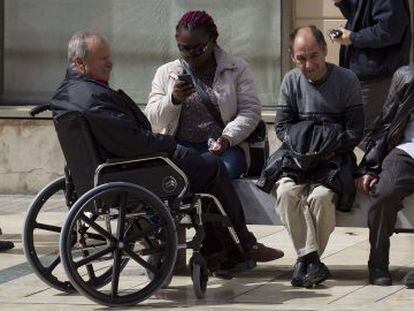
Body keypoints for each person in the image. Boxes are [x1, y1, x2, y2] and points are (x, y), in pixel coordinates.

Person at [50, 31, 283, 275]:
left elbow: (250, 110)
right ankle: (239, 244)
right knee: (211, 168)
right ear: (79, 63)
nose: (110, 63)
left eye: (109, 57)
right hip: (135, 170)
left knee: (207, 166)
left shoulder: (68, 95)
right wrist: (170, 141)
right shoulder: (93, 98)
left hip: (110, 171)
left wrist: (222, 139)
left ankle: (220, 249)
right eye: (102, 59)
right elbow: (132, 141)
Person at [257, 25, 364, 288]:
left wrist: (325, 145)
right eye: (301, 58)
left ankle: (305, 261)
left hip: (333, 158)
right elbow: (281, 127)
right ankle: (311, 261)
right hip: (296, 157)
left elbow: (355, 131)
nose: (309, 64)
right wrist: (304, 145)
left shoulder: (347, 80)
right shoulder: (290, 81)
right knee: (286, 192)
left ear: (326, 51)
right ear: (293, 57)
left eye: (314, 56)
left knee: (321, 197)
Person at [146, 10, 261, 179]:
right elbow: (153, 120)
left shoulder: (236, 69)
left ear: (213, 41)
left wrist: (227, 138)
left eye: (198, 49)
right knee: (172, 178)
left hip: (223, 148)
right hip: (180, 149)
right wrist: (173, 100)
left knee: (221, 173)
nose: (190, 55)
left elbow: (250, 111)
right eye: (183, 49)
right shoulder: (166, 73)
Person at [356, 64, 414, 288]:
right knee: (383, 193)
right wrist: (371, 166)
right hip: (406, 151)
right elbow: (386, 122)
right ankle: (378, 262)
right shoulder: (406, 78)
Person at [332, 0, 412, 139]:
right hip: (363, 74)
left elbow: (389, 30)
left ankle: (378, 161)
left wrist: (353, 37)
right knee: (362, 131)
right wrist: (343, 3)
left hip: (377, 77)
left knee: (367, 133)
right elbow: (359, 16)